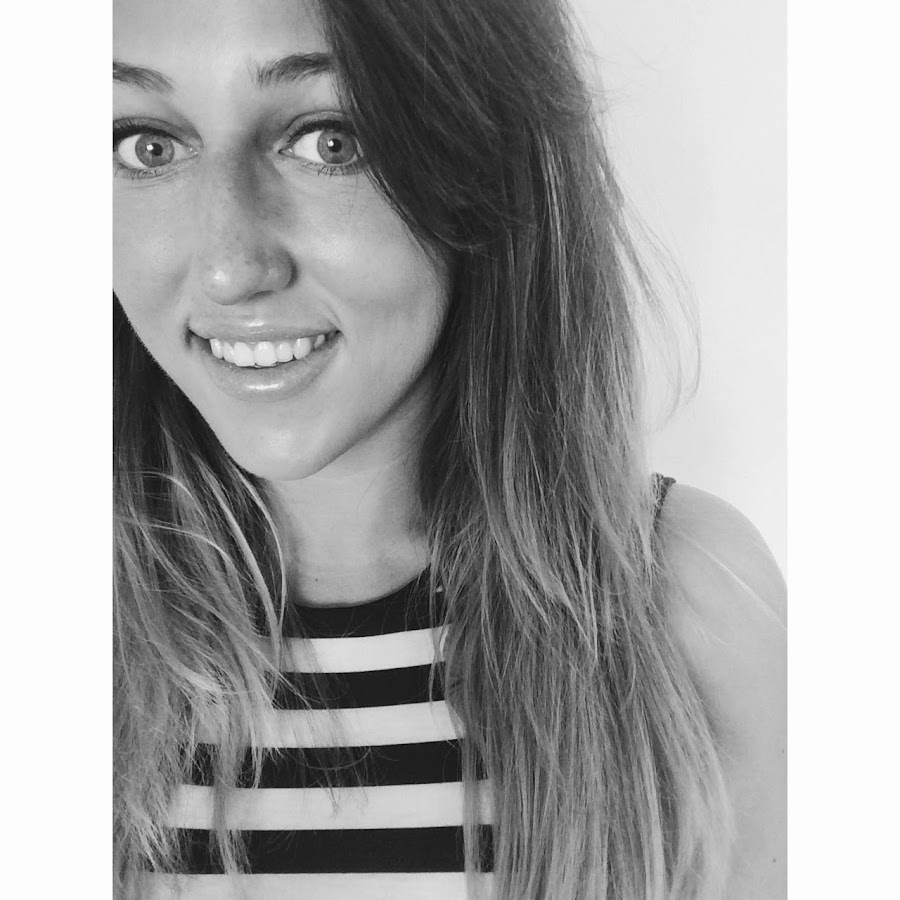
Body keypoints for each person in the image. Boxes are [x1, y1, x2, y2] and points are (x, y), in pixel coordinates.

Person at [113, 0, 786, 897]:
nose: (231, 269)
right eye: (148, 146)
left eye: (331, 139)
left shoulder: (689, 607)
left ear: (491, 158)